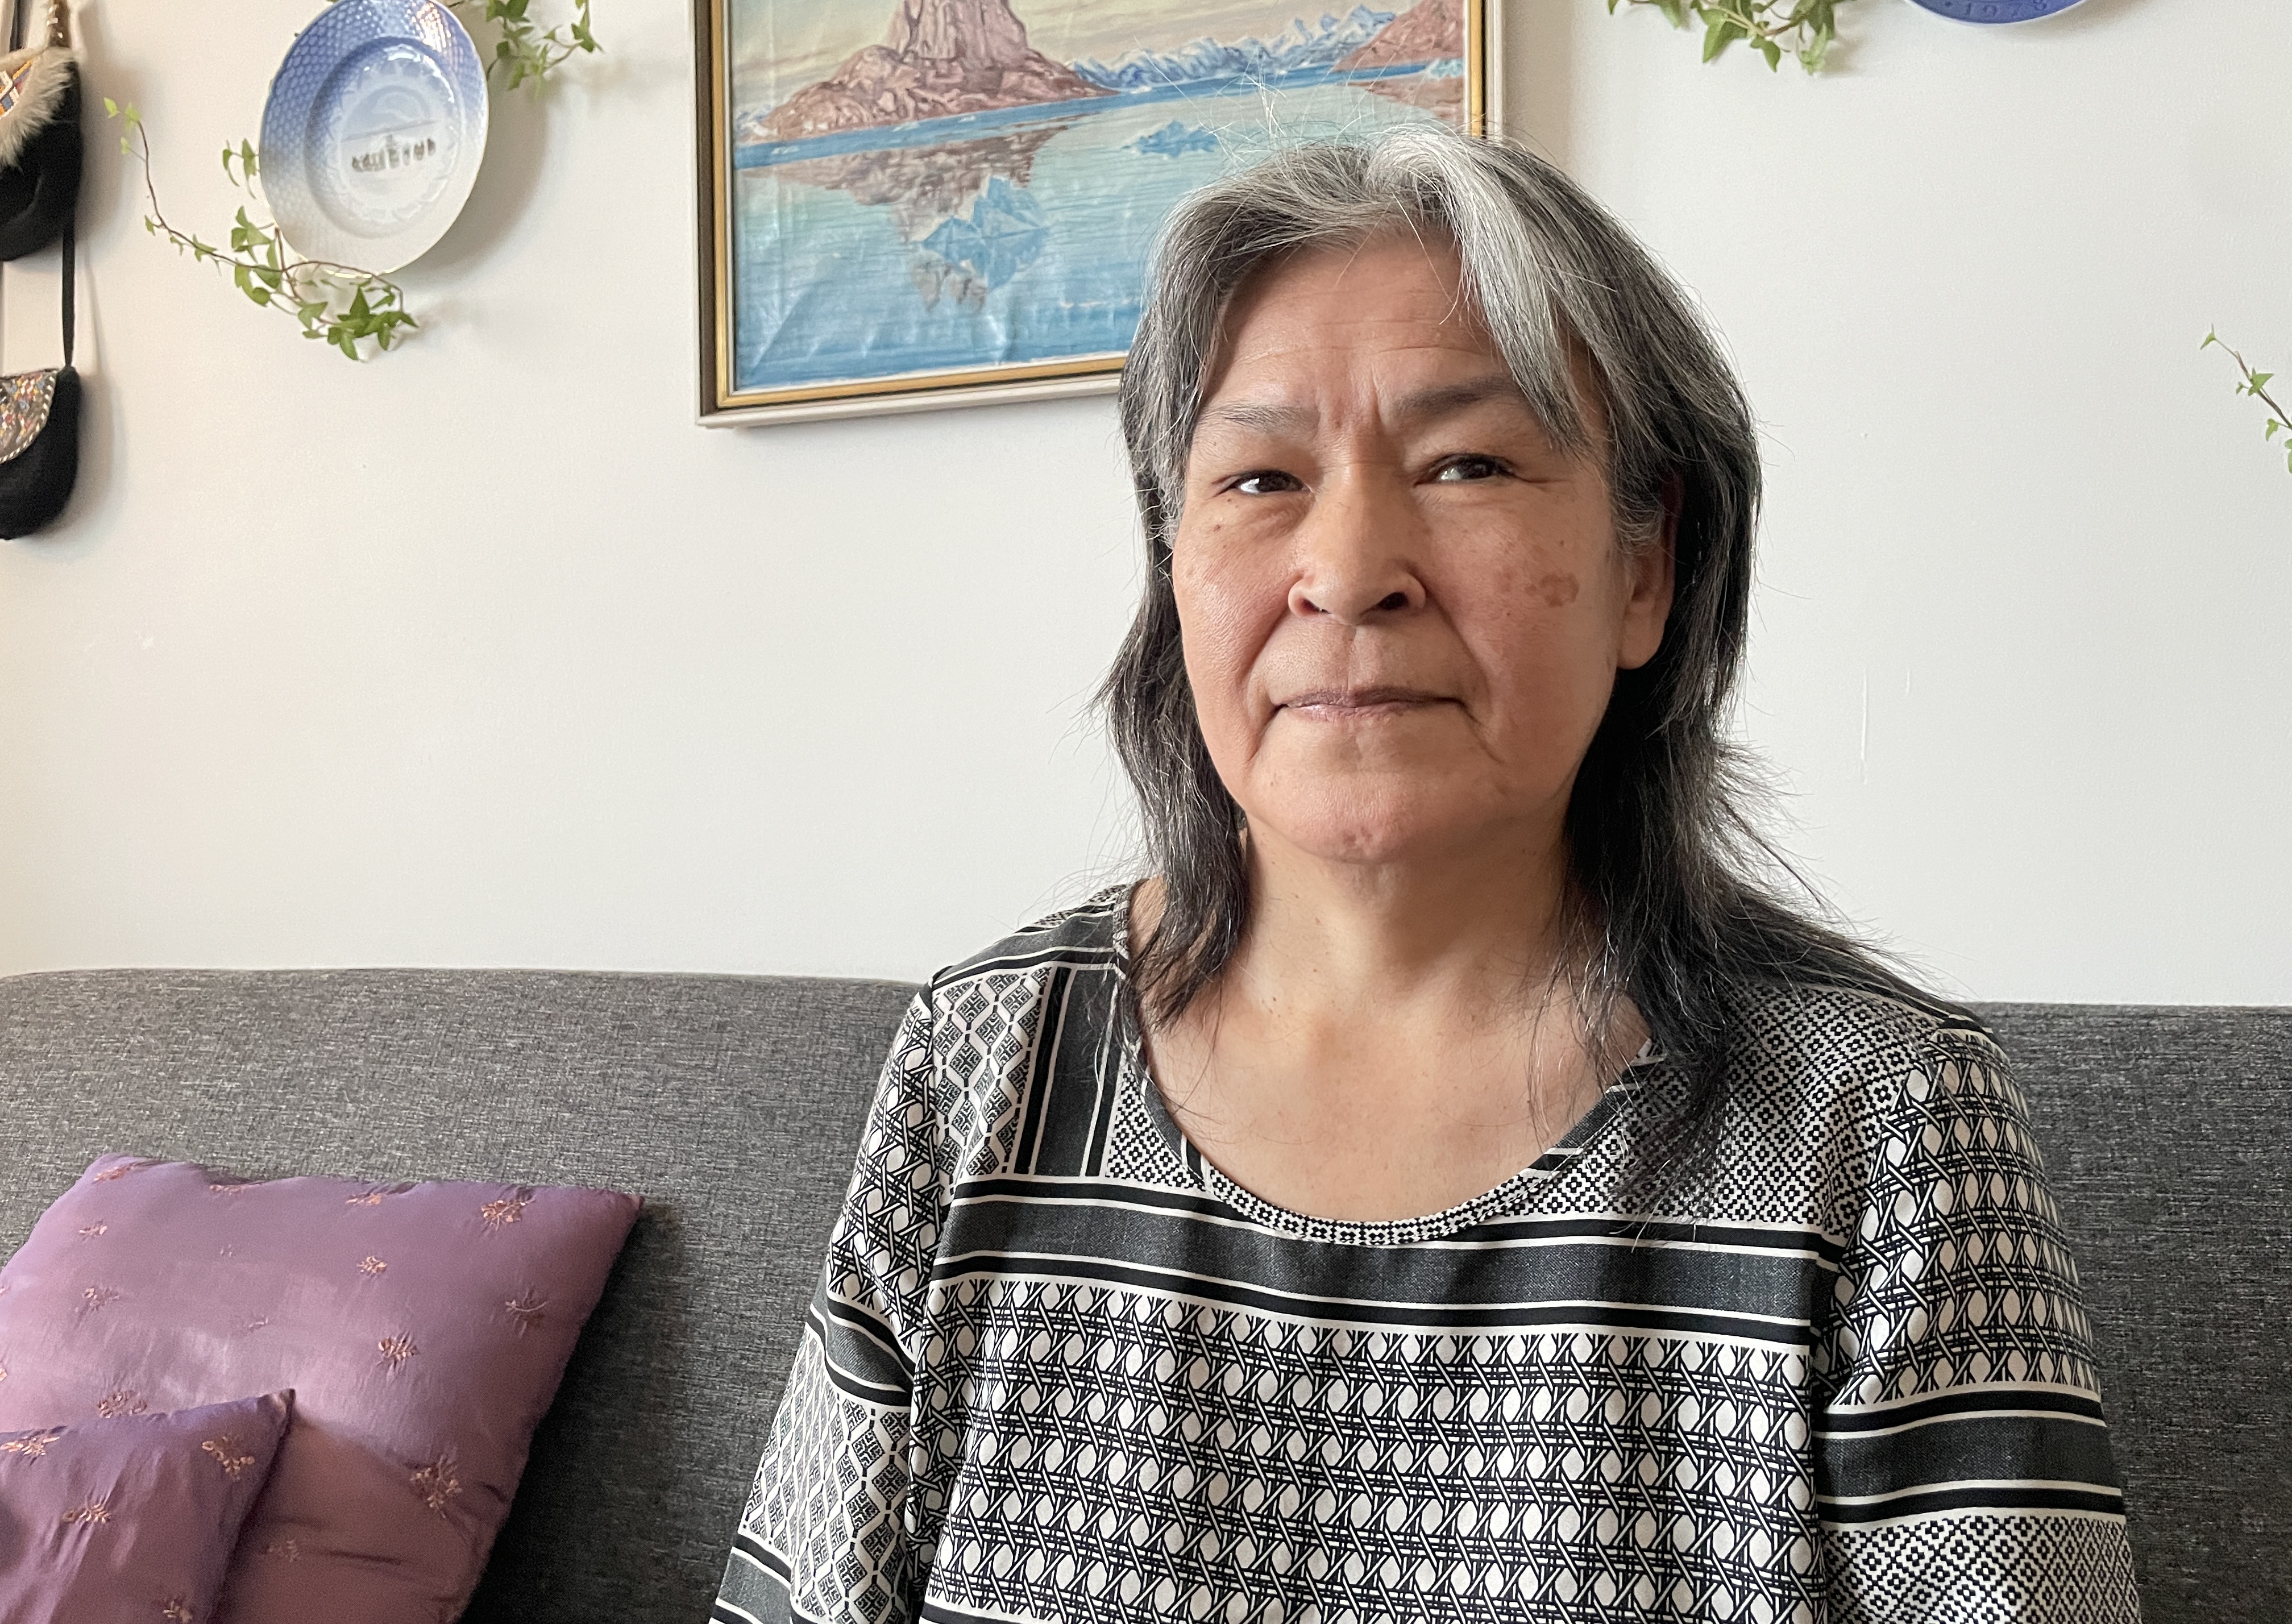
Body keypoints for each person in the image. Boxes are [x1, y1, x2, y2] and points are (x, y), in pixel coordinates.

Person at [712, 130, 2140, 1624]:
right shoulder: (986, 1058)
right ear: (1175, 560)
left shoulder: (1887, 1123)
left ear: (1647, 566)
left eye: (1469, 463)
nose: (1347, 570)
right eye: (1260, 477)